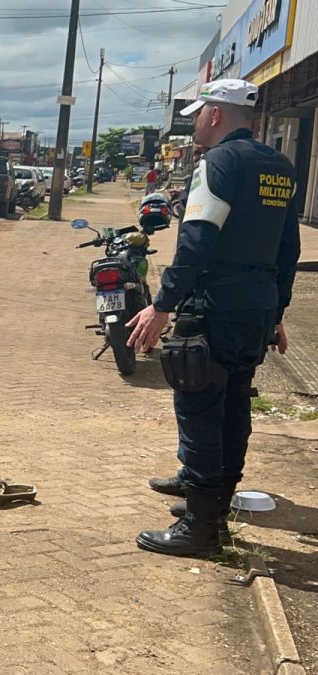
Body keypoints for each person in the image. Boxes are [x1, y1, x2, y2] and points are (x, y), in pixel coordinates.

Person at [126, 79, 301, 557]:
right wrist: (277, 311)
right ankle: (210, 505)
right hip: (256, 305)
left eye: (199, 113)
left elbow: (197, 241)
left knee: (201, 408)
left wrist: (162, 306)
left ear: (217, 115)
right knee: (233, 405)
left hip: (215, 307)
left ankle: (200, 530)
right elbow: (289, 248)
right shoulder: (279, 166)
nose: (195, 121)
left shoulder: (218, 163)